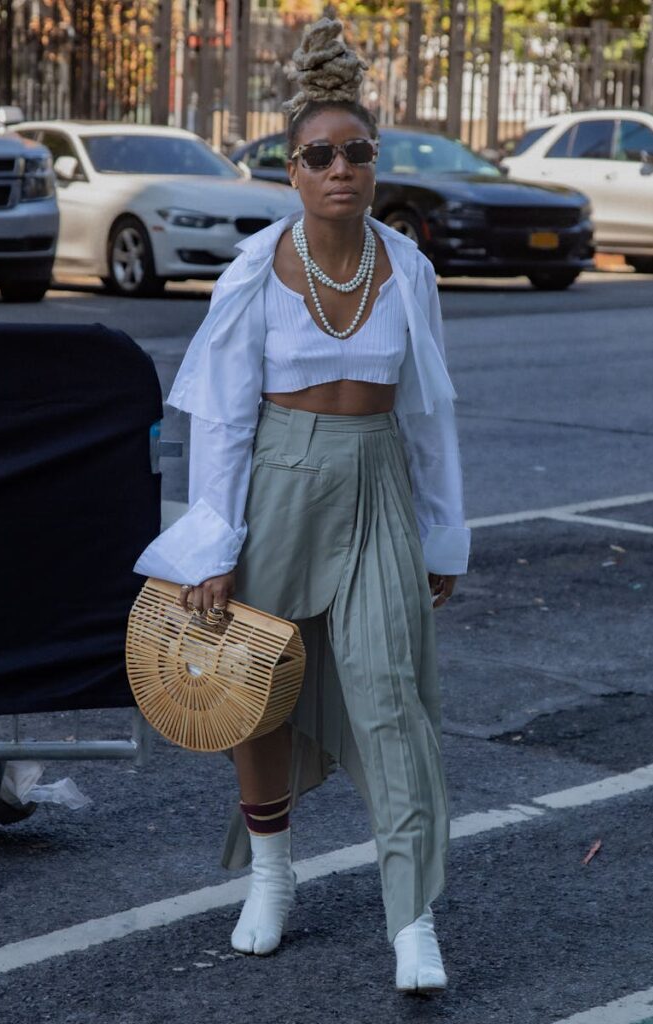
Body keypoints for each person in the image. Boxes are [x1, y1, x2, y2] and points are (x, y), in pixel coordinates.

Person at [134, 16, 470, 996]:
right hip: (275, 482)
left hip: (375, 490)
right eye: (318, 155)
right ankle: (270, 879)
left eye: (355, 153)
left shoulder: (406, 270)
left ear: (374, 164)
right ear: (290, 169)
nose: (338, 169)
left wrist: (443, 528)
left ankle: (409, 917)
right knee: (255, 689)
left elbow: (429, 415)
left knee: (390, 697)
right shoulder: (253, 273)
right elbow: (225, 423)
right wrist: (212, 539)